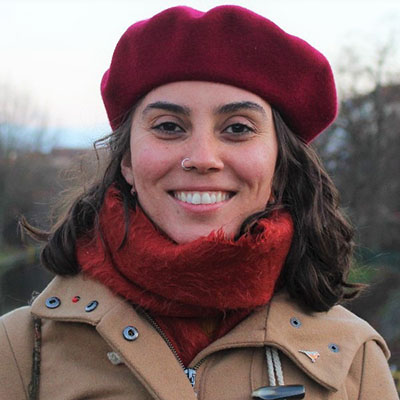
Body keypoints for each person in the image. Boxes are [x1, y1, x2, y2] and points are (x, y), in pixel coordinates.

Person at [0, 5, 398, 400]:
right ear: (127, 162)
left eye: (238, 128)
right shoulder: (18, 351)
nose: (203, 157)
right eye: (169, 127)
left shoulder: (354, 361)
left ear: (280, 169)